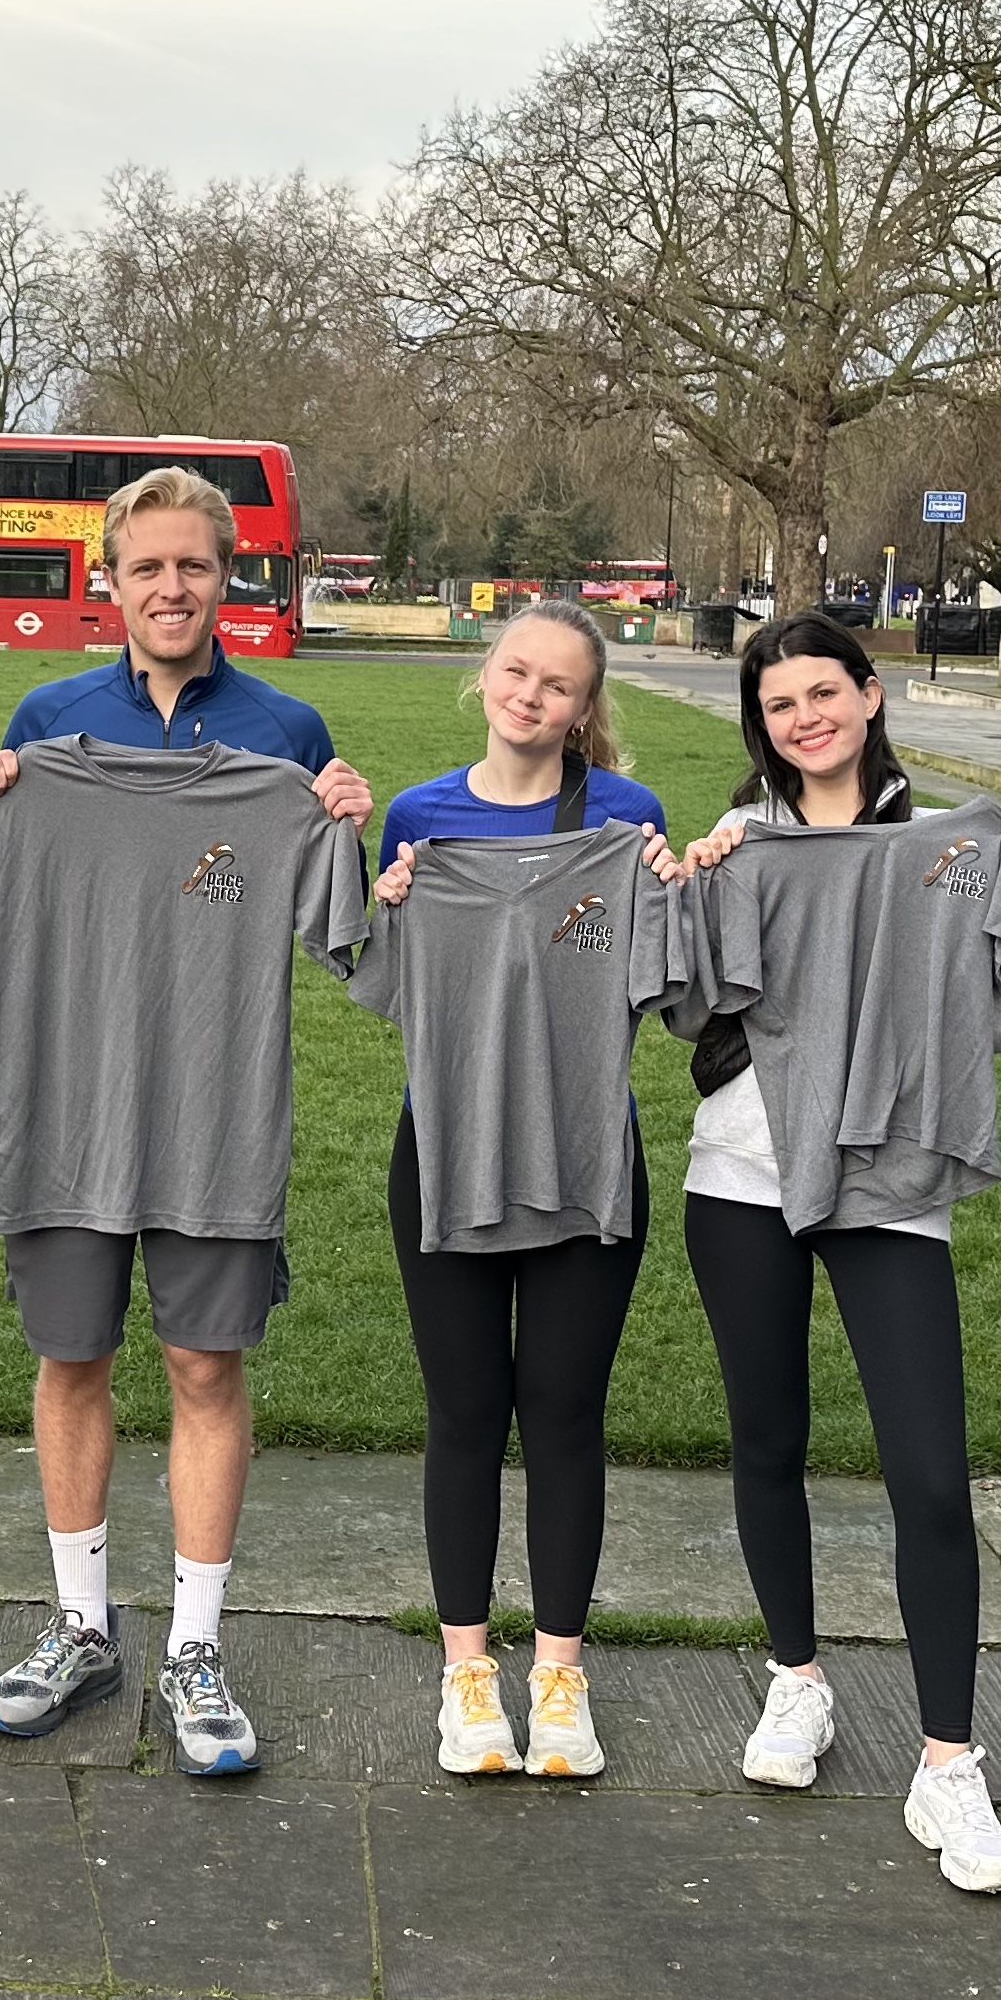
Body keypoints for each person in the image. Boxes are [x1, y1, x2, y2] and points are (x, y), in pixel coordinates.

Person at [0, 462, 374, 1777]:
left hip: (213, 1120)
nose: (172, 587)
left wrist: (348, 826)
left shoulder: (286, 737)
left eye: (195, 566)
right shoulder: (44, 721)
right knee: (70, 1362)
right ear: (110, 580)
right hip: (61, 1114)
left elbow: (350, 937)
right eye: (148, 568)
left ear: (227, 574)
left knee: (202, 1370)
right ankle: (81, 1628)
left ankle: (194, 1644)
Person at [671, 614, 1001, 1895]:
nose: (804, 718)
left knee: (930, 1478)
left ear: (871, 694)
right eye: (779, 704)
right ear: (761, 724)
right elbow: (683, 1005)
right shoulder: (742, 847)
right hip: (741, 1172)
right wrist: (702, 883)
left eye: (823, 692)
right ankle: (797, 1684)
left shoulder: (956, 841)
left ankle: (950, 1764)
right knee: (767, 1441)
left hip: (892, 1174)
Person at [359, 602, 678, 1778]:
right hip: (445, 1152)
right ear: (484, 676)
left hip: (587, 1159)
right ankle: (465, 1672)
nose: (531, 695)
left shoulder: (628, 821)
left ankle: (559, 1671)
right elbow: (373, 974)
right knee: (462, 1414)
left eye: (558, 684)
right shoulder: (419, 820)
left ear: (587, 706)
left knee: (563, 1416)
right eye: (515, 671)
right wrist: (385, 908)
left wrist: (669, 884)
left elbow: (665, 991)